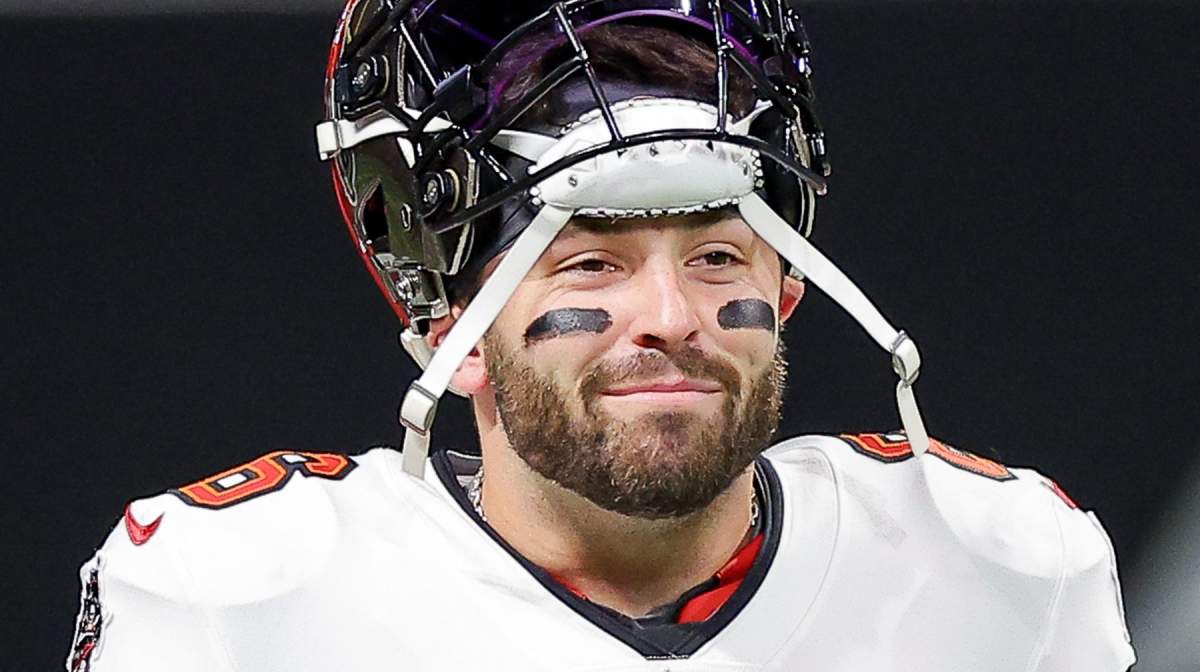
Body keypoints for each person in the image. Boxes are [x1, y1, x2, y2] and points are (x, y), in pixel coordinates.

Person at [67, 1, 1136, 670]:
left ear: (788, 290)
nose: (670, 319)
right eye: (592, 264)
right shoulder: (246, 604)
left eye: (716, 256)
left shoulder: (1001, 570)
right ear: (455, 329)